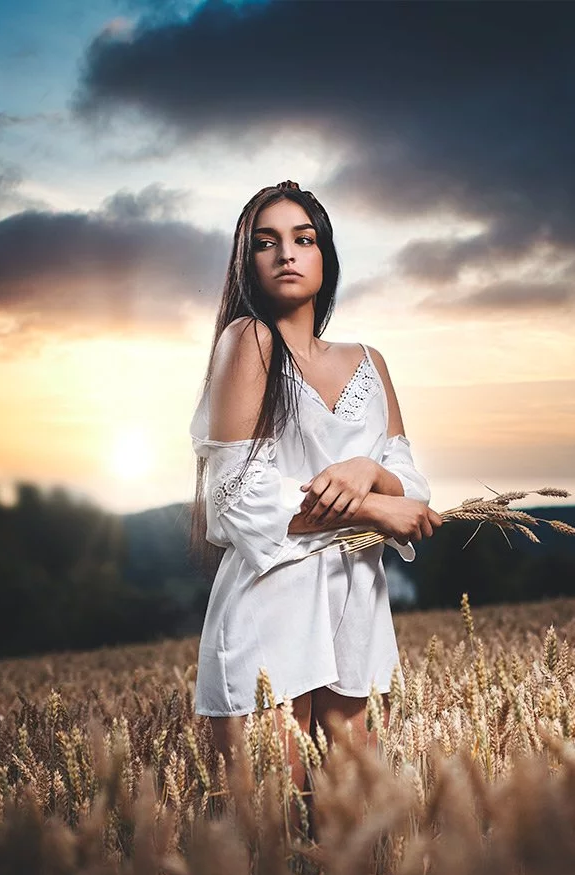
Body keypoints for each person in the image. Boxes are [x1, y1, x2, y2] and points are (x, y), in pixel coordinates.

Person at [189, 180, 443, 830]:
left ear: (326, 255)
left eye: (303, 239)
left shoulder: (369, 360)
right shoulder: (247, 342)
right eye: (266, 242)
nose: (286, 254)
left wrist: (364, 471)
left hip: (355, 606)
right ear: (247, 260)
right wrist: (372, 509)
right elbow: (238, 500)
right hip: (270, 605)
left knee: (352, 845)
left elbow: (412, 492)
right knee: (267, 856)